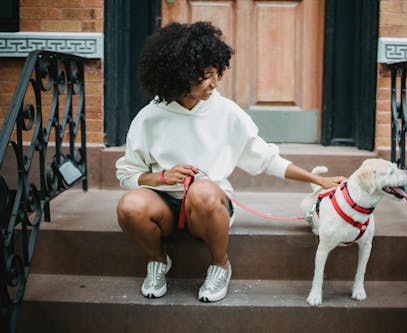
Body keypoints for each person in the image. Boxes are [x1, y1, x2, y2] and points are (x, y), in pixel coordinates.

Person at [115, 21, 345, 303]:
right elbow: (127, 174)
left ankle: (220, 265)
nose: (214, 83)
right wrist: (161, 177)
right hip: (164, 208)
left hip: (209, 208)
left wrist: (317, 180)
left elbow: (266, 158)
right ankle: (158, 261)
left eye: (216, 74)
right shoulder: (150, 117)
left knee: (203, 191)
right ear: (179, 77)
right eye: (205, 76)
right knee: (130, 206)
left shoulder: (225, 112)